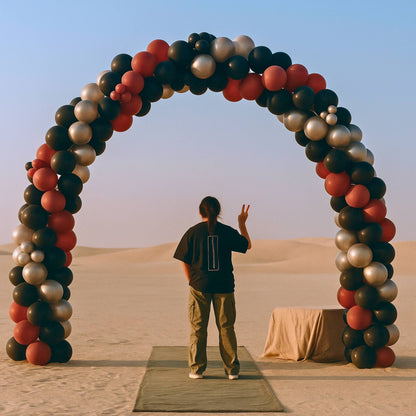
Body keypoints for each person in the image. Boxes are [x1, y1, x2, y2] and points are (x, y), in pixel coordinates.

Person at [173, 196, 251, 380]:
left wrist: (191, 280)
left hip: (199, 286)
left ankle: (197, 369)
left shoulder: (193, 232)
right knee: (226, 328)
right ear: (218, 212)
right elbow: (247, 245)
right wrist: (242, 223)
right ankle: (232, 370)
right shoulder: (226, 231)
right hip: (224, 286)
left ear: (200, 212)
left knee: (198, 328)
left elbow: (184, 259)